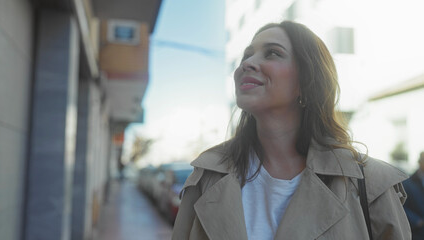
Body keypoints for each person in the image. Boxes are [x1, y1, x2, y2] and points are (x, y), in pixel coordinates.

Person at [172, 21, 411, 240]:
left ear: (306, 80)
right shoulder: (206, 177)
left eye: (273, 53)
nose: (247, 63)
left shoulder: (371, 184)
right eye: (247, 54)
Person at [403, 152, 424, 239]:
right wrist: (417, 221)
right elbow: (401, 205)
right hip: (416, 233)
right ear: (420, 162)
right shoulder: (407, 183)